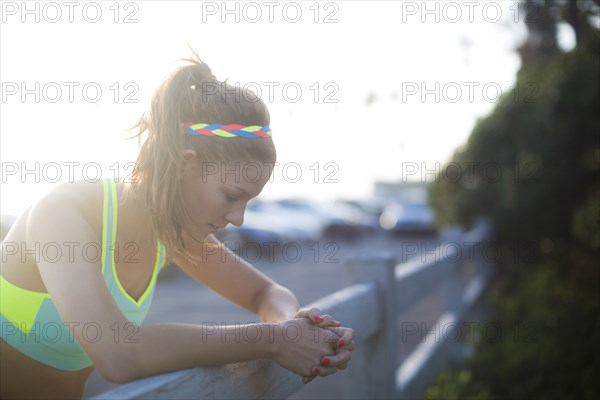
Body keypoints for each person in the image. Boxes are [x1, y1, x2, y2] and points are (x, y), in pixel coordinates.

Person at [0, 53, 355, 399]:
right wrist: (274, 340)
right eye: (231, 195)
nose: (238, 218)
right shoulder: (63, 215)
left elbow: (267, 295)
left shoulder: (170, 235)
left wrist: (291, 324)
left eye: (248, 202)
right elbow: (119, 354)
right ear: (186, 163)